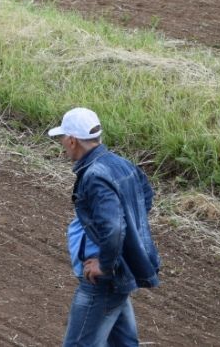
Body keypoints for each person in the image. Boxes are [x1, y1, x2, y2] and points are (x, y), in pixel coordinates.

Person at [49, 108, 161, 347]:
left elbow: (113, 226)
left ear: (72, 140)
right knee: (123, 343)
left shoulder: (95, 175)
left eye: (62, 140)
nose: (62, 146)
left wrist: (105, 263)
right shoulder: (120, 164)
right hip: (117, 275)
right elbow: (145, 198)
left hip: (101, 281)